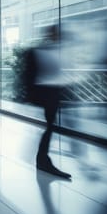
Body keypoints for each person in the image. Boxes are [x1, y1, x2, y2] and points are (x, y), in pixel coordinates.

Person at [24, 25, 71, 179]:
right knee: (51, 125)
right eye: (56, 34)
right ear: (52, 35)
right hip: (47, 92)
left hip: (52, 92)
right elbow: (32, 74)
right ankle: (43, 160)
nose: (58, 36)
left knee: (51, 125)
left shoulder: (50, 50)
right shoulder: (41, 51)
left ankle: (43, 159)